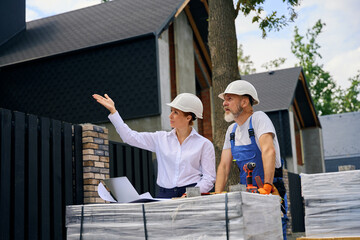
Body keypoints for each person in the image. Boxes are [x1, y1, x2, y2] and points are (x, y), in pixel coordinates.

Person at [93, 93, 216, 199]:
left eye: (176, 112)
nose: (170, 115)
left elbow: (209, 178)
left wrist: (191, 194)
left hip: (192, 195)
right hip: (163, 195)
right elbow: (129, 137)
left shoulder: (204, 144)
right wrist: (114, 112)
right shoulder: (160, 138)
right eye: (171, 111)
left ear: (188, 117)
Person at [214, 80, 288, 240]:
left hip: (271, 190)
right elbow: (224, 166)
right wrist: (217, 194)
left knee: (273, 233)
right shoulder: (231, 130)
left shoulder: (259, 119)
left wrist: (267, 185)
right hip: (247, 194)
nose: (224, 104)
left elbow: (269, 150)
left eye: (229, 99)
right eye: (224, 100)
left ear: (245, 101)